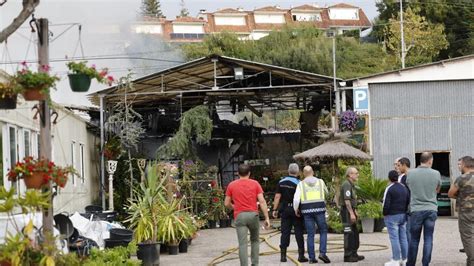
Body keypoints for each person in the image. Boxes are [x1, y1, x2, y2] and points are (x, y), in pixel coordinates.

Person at [224, 164, 271, 266]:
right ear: (249, 173)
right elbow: (262, 201)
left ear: (238, 173)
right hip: (253, 215)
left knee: (242, 244)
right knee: (255, 241)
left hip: (240, 216)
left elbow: (226, 203)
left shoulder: (231, 185)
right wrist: (267, 218)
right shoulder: (255, 184)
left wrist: (234, 207)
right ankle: (255, 264)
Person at [406, 152, 441, 266]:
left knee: (414, 239)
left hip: (416, 209)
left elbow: (409, 187)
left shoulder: (410, 173)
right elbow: (438, 189)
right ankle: (425, 264)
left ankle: (410, 263)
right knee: (428, 238)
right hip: (431, 209)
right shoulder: (436, 173)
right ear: (430, 160)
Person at [293, 166, 331, 264]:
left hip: (306, 212)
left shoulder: (300, 184)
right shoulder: (320, 182)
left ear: (304, 173)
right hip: (320, 210)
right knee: (323, 231)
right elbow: (327, 193)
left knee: (310, 234)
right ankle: (322, 253)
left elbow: (296, 199)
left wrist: (296, 209)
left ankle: (311, 258)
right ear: (313, 172)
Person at [272, 163, 308, 263]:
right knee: (298, 232)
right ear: (297, 172)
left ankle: (283, 256)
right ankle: (301, 255)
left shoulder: (281, 182)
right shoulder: (299, 183)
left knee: (285, 232)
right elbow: (302, 198)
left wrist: (274, 209)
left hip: (284, 210)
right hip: (296, 210)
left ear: (288, 171)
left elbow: (277, 197)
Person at [448, 156, 474, 266]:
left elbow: (450, 193)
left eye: (460, 165)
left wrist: (461, 197)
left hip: (466, 212)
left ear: (464, 165)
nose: (459, 167)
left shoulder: (461, 178)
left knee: (468, 237)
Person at [383, 170, 410, 266]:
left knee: (394, 238)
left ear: (389, 178)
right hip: (403, 215)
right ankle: (405, 259)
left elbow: (386, 203)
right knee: (403, 238)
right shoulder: (404, 188)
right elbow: (408, 200)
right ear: (397, 177)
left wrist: (384, 214)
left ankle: (395, 260)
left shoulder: (389, 188)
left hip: (392, 216)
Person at [340, 166, 364, 263]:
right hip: (346, 212)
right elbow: (347, 200)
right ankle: (348, 255)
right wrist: (351, 213)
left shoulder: (351, 184)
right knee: (349, 233)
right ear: (350, 174)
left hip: (351, 210)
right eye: (356, 173)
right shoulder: (346, 184)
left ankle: (354, 253)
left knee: (354, 233)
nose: (357, 175)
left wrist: (355, 211)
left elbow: (352, 200)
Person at [397, 157, 412, 244]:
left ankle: (409, 252)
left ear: (404, 165)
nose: (397, 167)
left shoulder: (405, 177)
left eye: (399, 165)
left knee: (407, 231)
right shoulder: (405, 176)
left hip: (407, 207)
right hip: (408, 206)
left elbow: (405, 193)